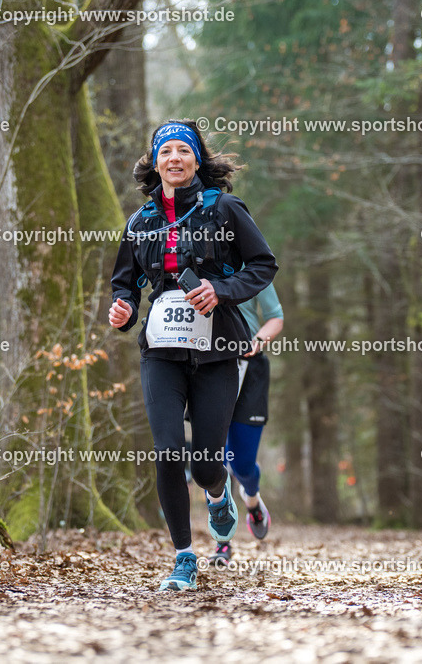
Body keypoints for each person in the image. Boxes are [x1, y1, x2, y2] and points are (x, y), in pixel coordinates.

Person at [109, 119, 277, 591]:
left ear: (196, 159)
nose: (175, 159)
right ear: (155, 162)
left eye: (184, 150)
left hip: (219, 349)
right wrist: (122, 310)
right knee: (167, 451)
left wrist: (221, 290)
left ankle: (219, 493)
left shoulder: (223, 208)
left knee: (205, 462)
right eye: (166, 152)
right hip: (160, 351)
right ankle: (184, 558)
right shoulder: (140, 222)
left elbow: (263, 264)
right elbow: (125, 283)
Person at [210, 282, 283, 566]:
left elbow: (276, 317)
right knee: (214, 462)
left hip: (250, 369)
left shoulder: (252, 270)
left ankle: (252, 501)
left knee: (241, 465)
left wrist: (257, 341)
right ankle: (222, 543)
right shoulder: (200, 268)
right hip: (212, 366)